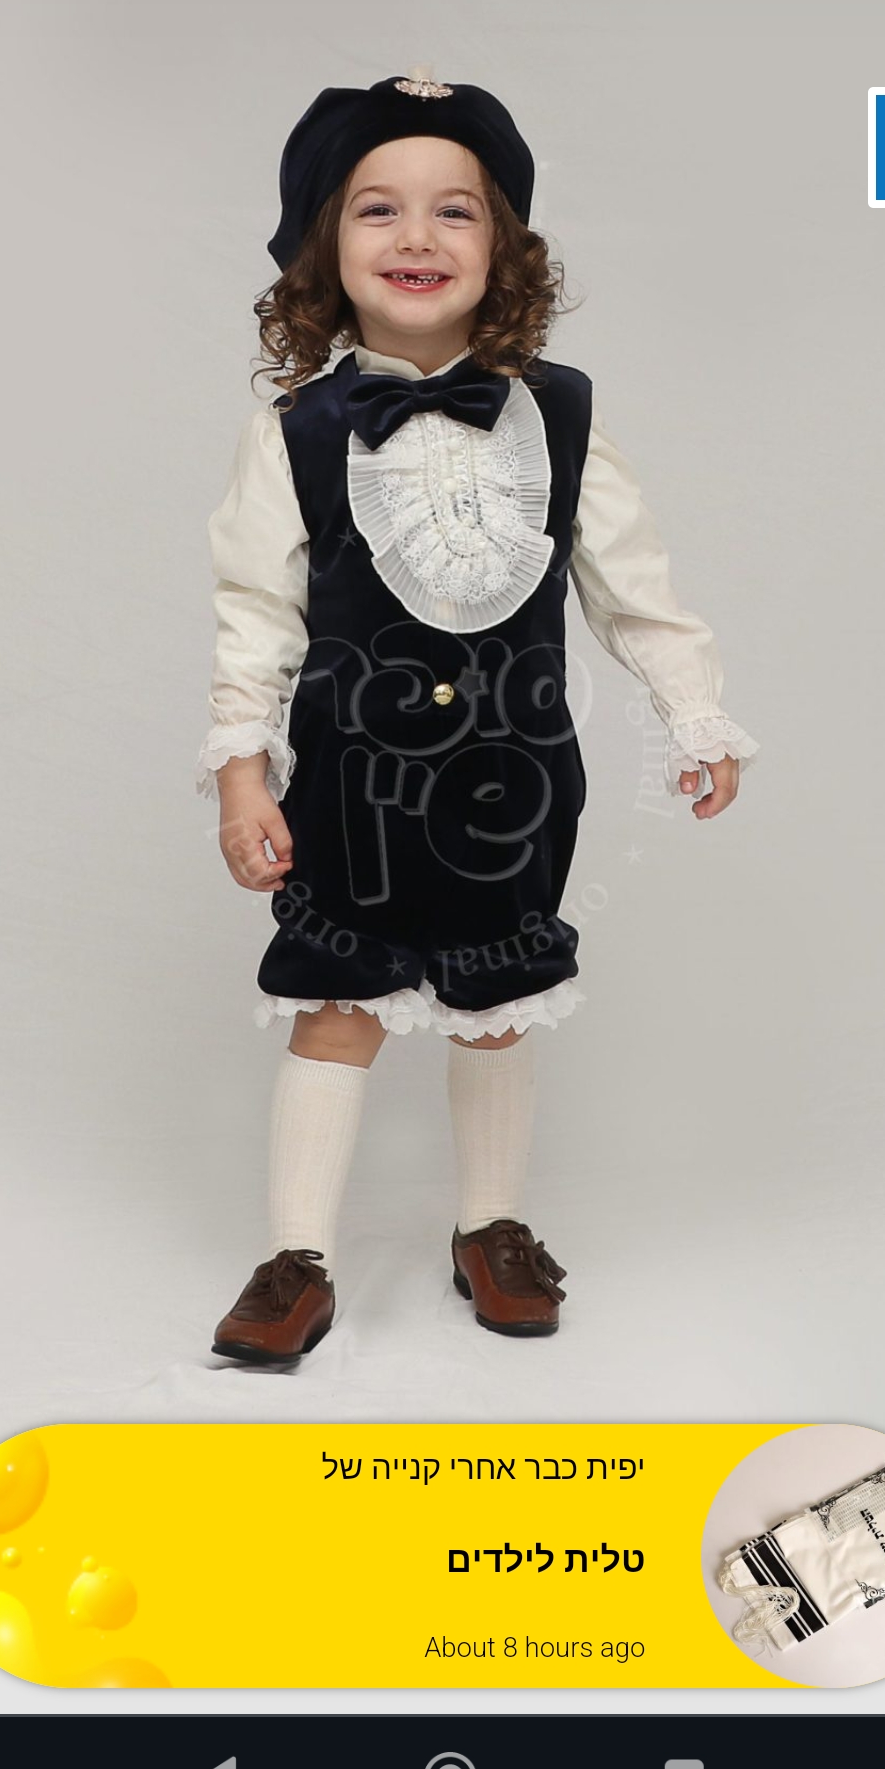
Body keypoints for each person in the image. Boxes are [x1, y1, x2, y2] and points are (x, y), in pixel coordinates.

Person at [198, 72, 757, 1364]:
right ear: (324, 248)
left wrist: (696, 715)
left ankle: (490, 1227)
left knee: (496, 999)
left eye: (455, 210)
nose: (418, 236)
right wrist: (241, 772)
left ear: (502, 247)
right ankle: (295, 1258)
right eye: (378, 209)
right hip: (352, 787)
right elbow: (254, 614)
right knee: (337, 1003)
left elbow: (633, 586)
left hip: (516, 780)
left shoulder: (562, 417)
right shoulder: (295, 431)